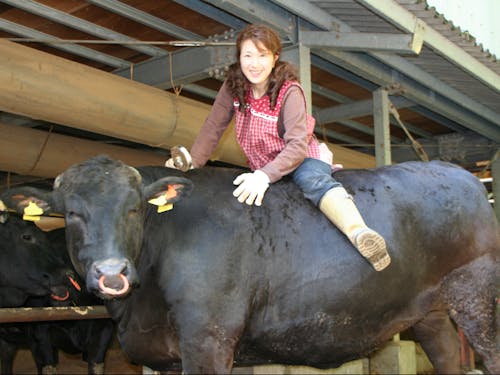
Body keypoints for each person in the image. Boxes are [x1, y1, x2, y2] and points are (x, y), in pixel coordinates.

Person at [166, 24, 390, 271]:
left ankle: (360, 233)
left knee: (313, 180)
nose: (254, 63)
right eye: (247, 55)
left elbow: (296, 146)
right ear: (239, 57)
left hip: (300, 158)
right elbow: (214, 126)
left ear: (274, 58)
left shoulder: (289, 91)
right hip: (262, 166)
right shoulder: (233, 87)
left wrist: (264, 175)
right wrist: (191, 162)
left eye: (262, 55)